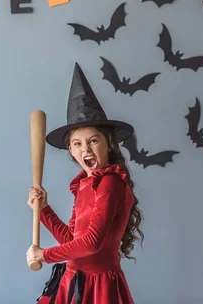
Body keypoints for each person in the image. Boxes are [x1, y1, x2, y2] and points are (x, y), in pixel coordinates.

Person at [26, 63, 144, 304]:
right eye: (77, 144)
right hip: (74, 280)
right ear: (70, 149)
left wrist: (45, 255)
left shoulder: (111, 183)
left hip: (98, 287)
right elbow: (73, 240)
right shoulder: (83, 184)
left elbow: (92, 243)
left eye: (93, 140)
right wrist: (44, 210)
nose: (85, 149)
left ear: (109, 143)